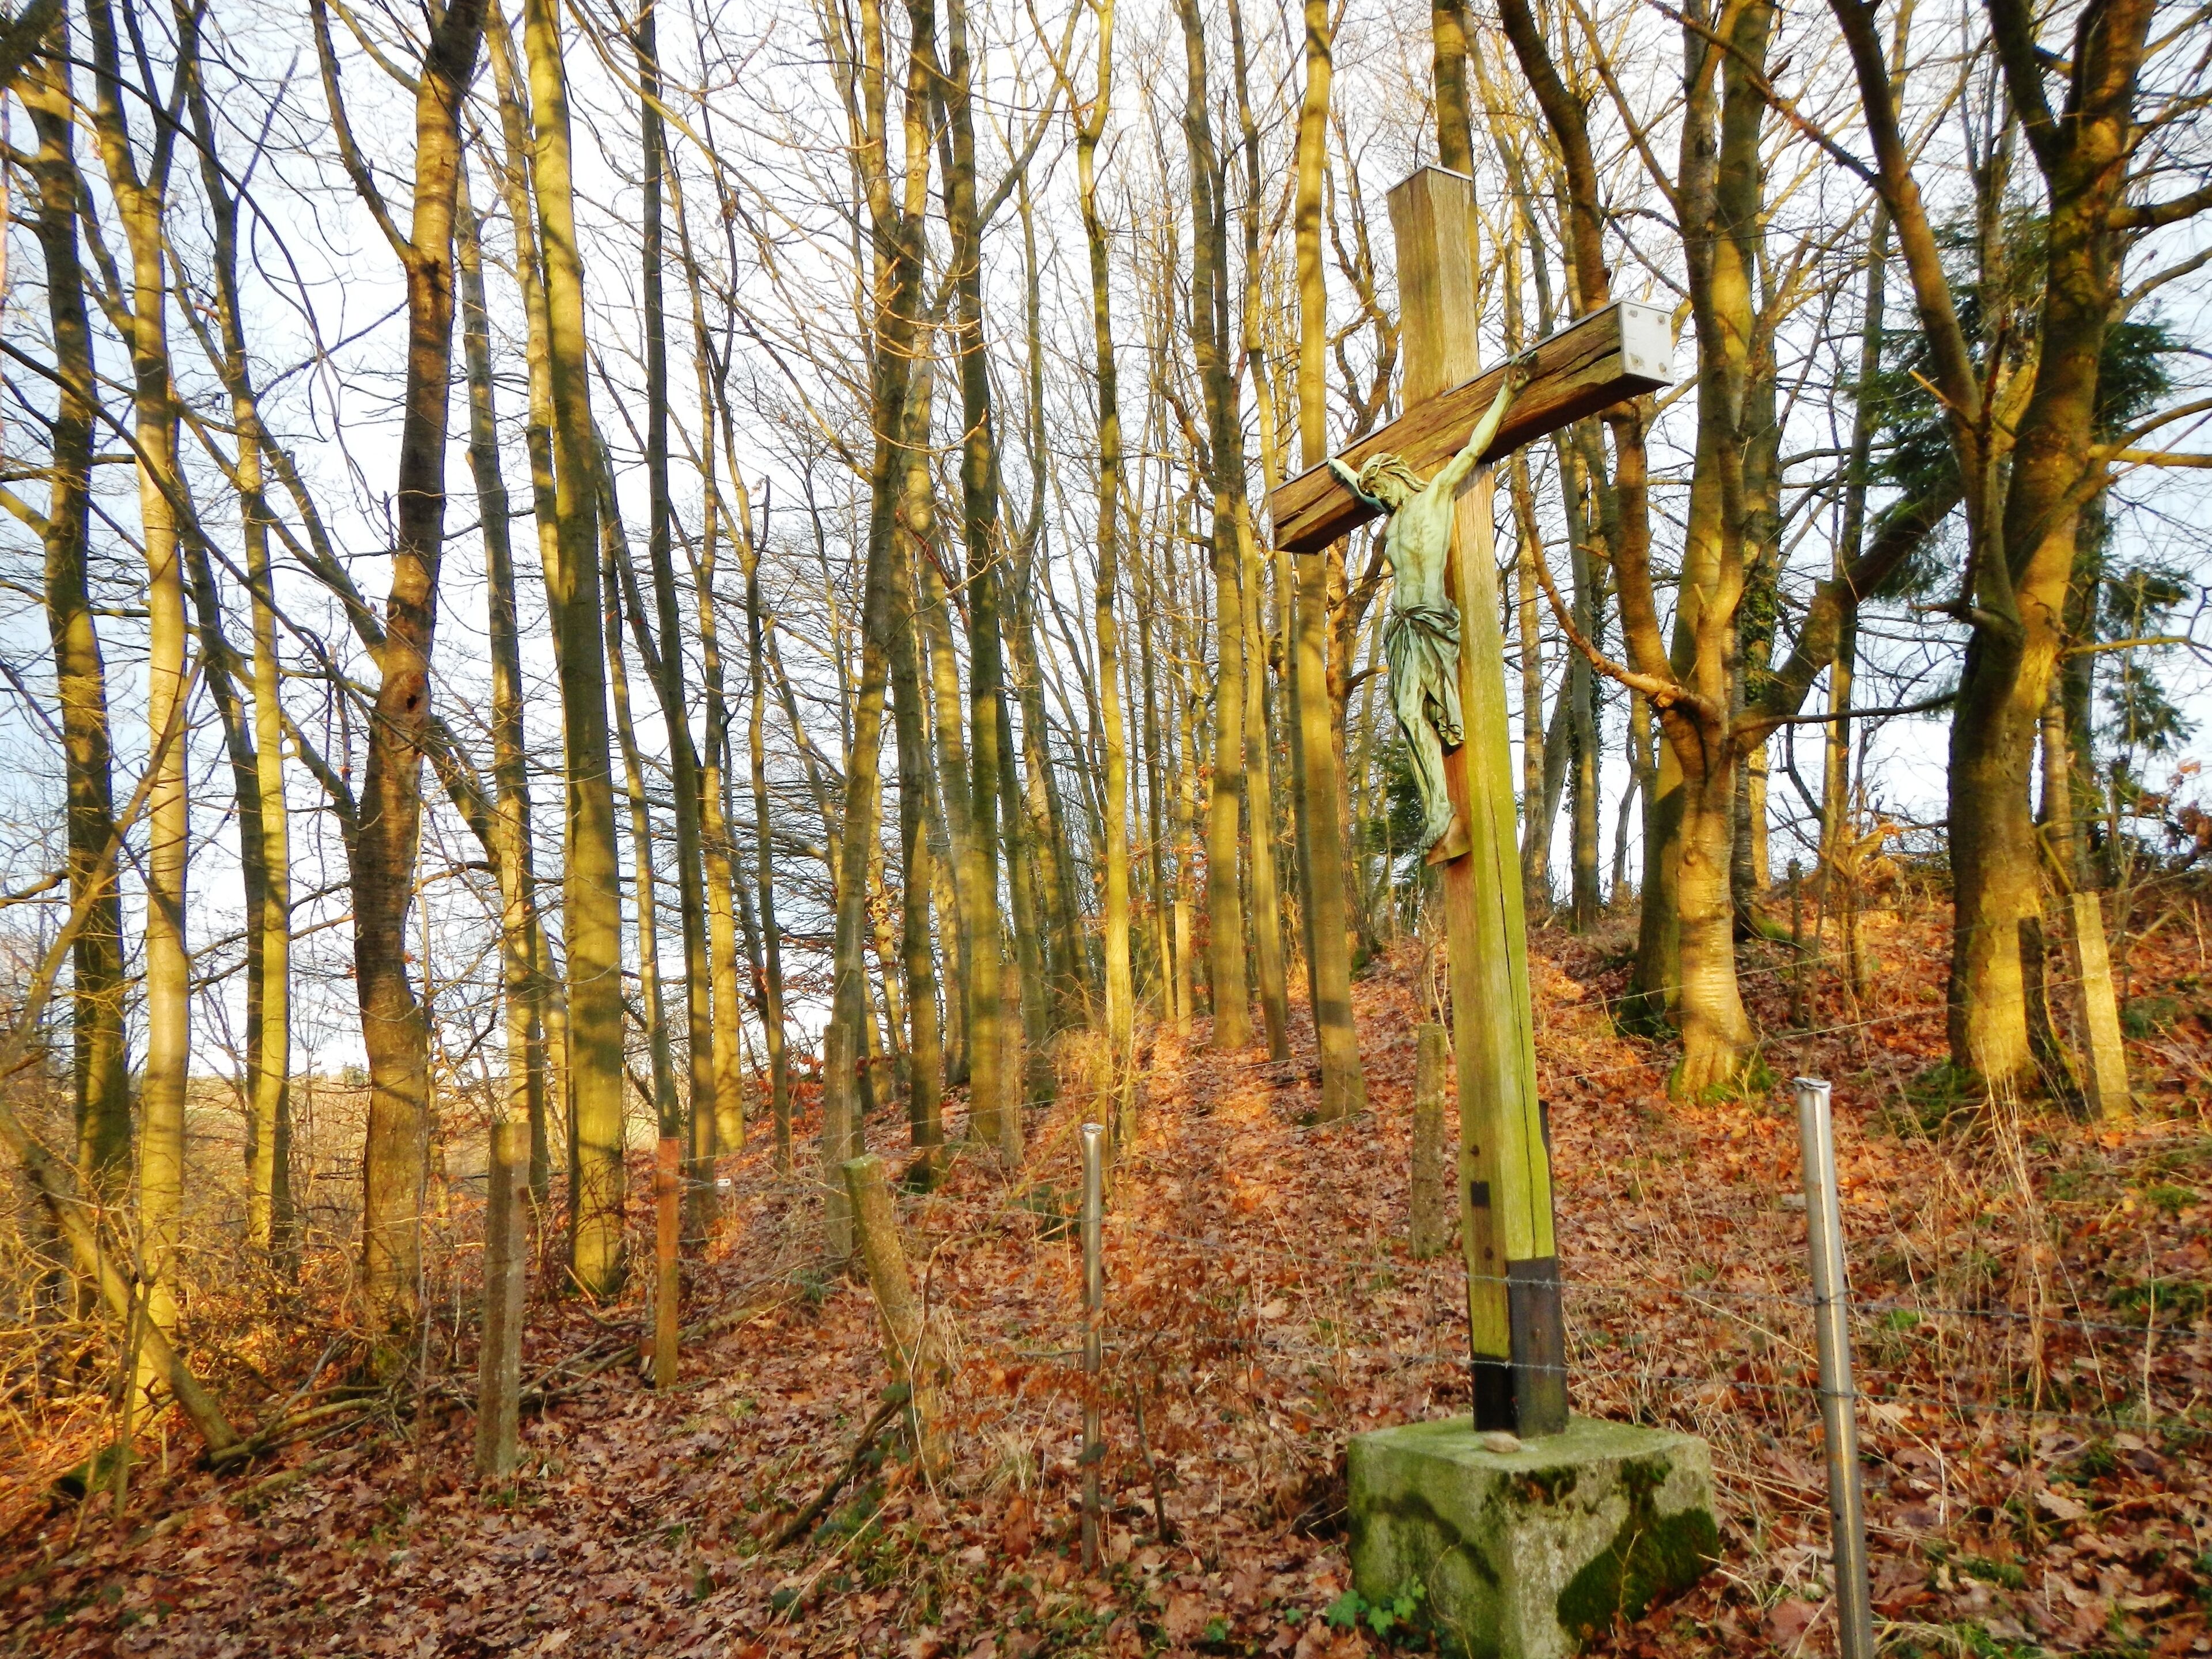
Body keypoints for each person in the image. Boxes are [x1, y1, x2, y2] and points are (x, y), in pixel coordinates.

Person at [1328, 355, 1530, 855]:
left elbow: (1475, 448)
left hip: (1433, 618)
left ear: (1394, 478)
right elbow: (1361, 491)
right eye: (1372, 493)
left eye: (1380, 489)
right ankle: (1440, 810)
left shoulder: (1435, 495)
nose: (1378, 499)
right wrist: (1343, 475)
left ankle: (1445, 813)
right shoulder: (1392, 520)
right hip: (1403, 627)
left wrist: (1509, 392)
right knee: (1403, 710)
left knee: (1418, 709)